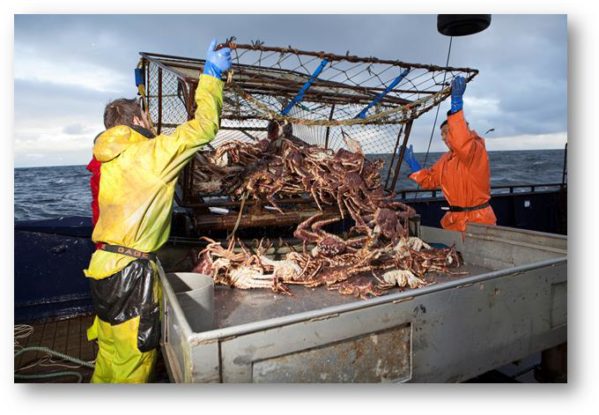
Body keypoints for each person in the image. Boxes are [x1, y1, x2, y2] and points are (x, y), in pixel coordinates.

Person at [83, 38, 231, 383]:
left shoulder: (107, 160)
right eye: (147, 116)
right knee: (132, 370)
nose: (152, 122)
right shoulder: (149, 155)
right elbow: (203, 128)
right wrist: (211, 77)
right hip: (131, 279)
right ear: (136, 118)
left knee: (109, 359)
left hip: (103, 267)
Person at [403, 76, 496, 232]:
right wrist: (414, 166)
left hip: (479, 221)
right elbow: (430, 180)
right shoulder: (446, 159)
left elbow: (462, 141)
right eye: (442, 135)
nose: (444, 137)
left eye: (447, 132)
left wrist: (456, 106)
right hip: (454, 222)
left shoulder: (475, 149)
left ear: (461, 129)